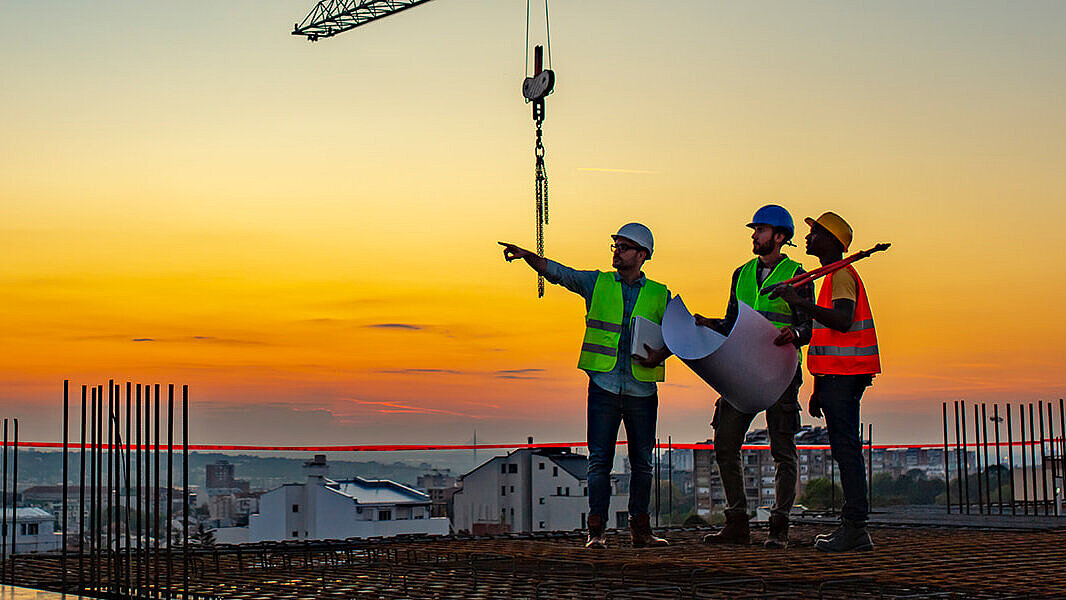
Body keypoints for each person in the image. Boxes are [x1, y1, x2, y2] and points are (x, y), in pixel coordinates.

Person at [499, 223, 672, 549]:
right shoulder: (598, 282)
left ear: (642, 255)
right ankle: (596, 533)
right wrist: (528, 257)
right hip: (604, 386)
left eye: (623, 247)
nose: (616, 252)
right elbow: (560, 273)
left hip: (641, 391)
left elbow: (681, 334)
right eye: (615, 246)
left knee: (643, 463)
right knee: (599, 462)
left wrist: (661, 353)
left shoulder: (660, 294)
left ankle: (641, 531)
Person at [692, 205, 814, 549]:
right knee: (725, 443)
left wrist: (797, 333)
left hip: (780, 372)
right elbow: (733, 319)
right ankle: (737, 522)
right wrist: (710, 324)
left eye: (759, 230)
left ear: (779, 236)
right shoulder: (741, 274)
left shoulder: (798, 275)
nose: (753, 235)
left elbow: (810, 325)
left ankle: (779, 527)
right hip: (741, 370)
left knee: (782, 450)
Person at [772, 212, 881, 552]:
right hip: (836, 377)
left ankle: (855, 528)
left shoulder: (842, 276)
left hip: (845, 376)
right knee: (843, 448)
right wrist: (819, 386)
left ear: (832, 241)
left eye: (815, 231)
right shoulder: (833, 277)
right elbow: (825, 337)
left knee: (846, 450)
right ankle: (853, 527)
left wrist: (800, 303)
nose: (808, 236)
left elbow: (843, 321)